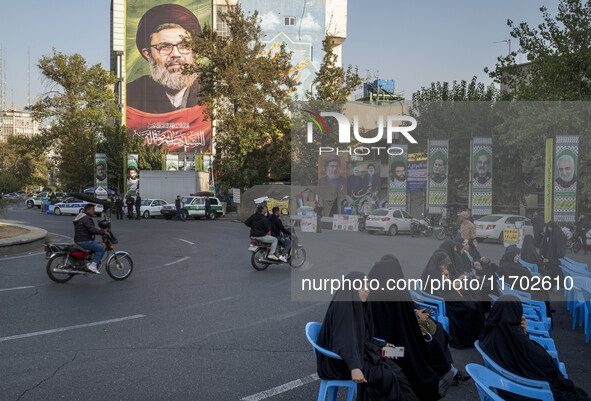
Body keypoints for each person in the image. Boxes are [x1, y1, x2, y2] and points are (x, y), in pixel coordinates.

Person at [316, 271, 420, 401]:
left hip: (352, 355)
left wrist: (381, 345)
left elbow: (361, 337)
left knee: (396, 371)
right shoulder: (343, 308)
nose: (368, 291)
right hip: (340, 362)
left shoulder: (354, 305)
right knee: (386, 376)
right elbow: (343, 342)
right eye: (364, 286)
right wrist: (354, 367)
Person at [367, 255, 456, 400]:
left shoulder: (372, 292)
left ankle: (443, 375)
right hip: (385, 351)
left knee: (423, 345)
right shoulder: (395, 293)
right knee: (418, 350)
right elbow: (405, 326)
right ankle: (435, 382)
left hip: (381, 346)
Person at [479, 295, 590, 401]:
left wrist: (523, 332)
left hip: (508, 386)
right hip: (528, 390)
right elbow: (540, 361)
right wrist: (522, 334)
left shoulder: (491, 332)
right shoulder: (514, 335)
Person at [126, 4, 202, 114]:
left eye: (184, 46)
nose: (175, 54)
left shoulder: (211, 89)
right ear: (147, 54)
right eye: (165, 47)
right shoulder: (132, 94)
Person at [422, 251, 485, 349]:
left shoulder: (434, 271)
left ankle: (475, 336)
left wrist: (448, 277)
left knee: (472, 303)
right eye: (443, 265)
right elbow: (445, 290)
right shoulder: (434, 274)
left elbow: (445, 288)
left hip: (443, 298)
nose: (445, 267)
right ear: (438, 263)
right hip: (442, 302)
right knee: (470, 308)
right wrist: (456, 284)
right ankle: (469, 338)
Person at [73, 204, 110, 274]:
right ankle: (93, 265)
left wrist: (99, 230)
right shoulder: (87, 218)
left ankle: (89, 262)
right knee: (101, 249)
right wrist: (103, 232)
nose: (94, 211)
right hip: (84, 241)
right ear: (88, 210)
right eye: (93, 209)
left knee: (98, 245)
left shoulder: (82, 217)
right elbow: (92, 230)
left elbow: (89, 228)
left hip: (80, 239)